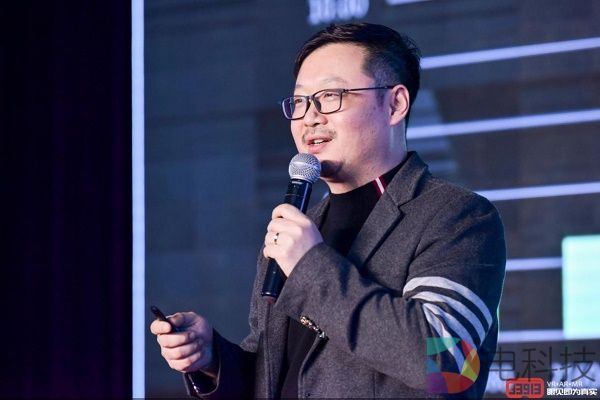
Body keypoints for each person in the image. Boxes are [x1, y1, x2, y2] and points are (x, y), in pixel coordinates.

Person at [150, 22, 506, 399]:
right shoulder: (297, 229)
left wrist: (309, 267)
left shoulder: (456, 216)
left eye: (330, 96)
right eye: (300, 102)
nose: (310, 117)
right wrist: (212, 359)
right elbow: (275, 375)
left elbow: (446, 363)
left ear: (395, 104)